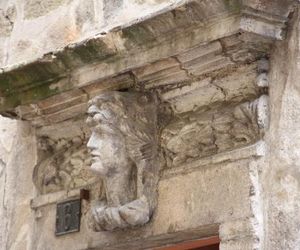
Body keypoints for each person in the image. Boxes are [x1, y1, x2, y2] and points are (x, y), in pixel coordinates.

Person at [86, 91, 158, 231]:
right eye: (92, 134)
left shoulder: (137, 209)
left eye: (102, 134)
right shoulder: (98, 214)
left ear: (129, 141)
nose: (89, 144)